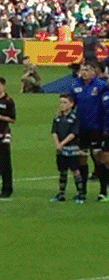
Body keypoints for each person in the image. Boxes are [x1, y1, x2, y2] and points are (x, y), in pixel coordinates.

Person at [72, 64, 109, 200]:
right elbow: (71, 103)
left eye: (87, 70)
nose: (84, 72)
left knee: (98, 158)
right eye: (82, 70)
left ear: (93, 72)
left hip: (96, 128)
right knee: (81, 158)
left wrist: (105, 128)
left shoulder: (101, 85)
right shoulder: (75, 85)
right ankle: (83, 191)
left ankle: (103, 191)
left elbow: (106, 107)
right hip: (81, 128)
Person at [52, 93, 87, 203]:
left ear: (71, 104)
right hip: (61, 149)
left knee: (75, 170)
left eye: (65, 103)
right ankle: (61, 193)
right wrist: (57, 144)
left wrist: (62, 144)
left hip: (72, 148)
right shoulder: (57, 117)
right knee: (62, 170)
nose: (62, 105)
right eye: (61, 102)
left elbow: (73, 133)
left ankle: (81, 194)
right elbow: (54, 132)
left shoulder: (75, 118)